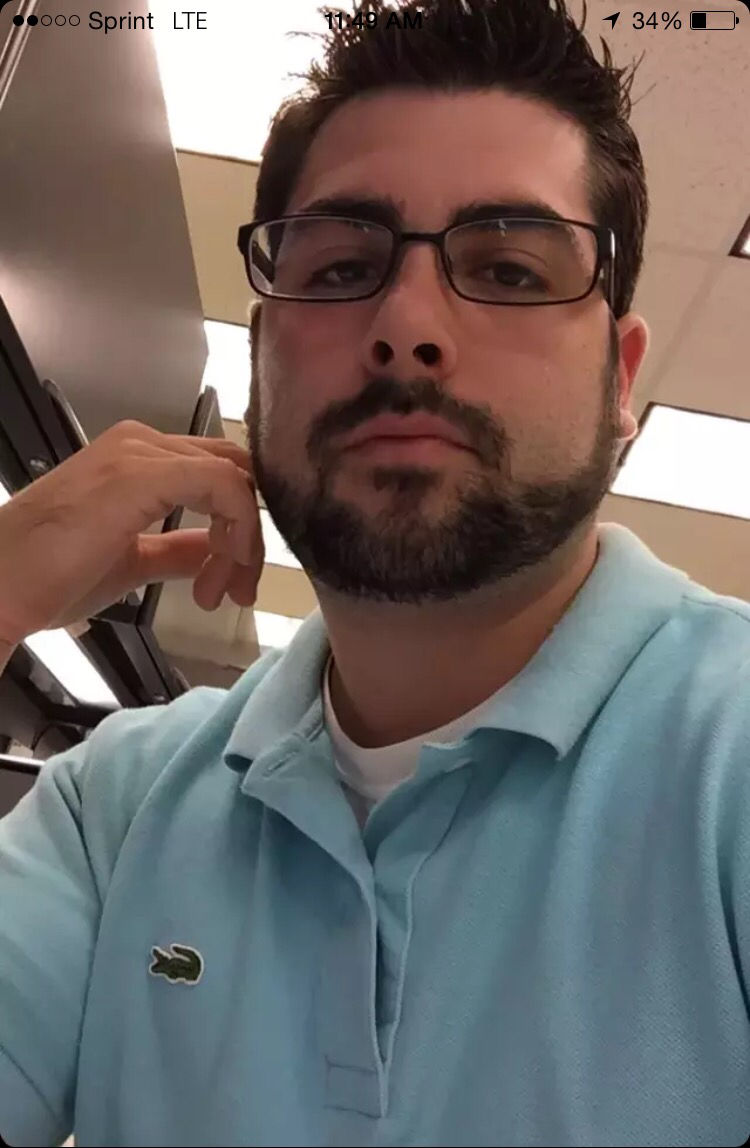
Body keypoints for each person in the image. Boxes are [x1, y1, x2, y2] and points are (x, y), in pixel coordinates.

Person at [2, 0, 749, 1144]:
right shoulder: (114, 805)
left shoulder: (730, 753)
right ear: (260, 357)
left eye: (509, 269)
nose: (407, 325)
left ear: (620, 379)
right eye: (343, 265)